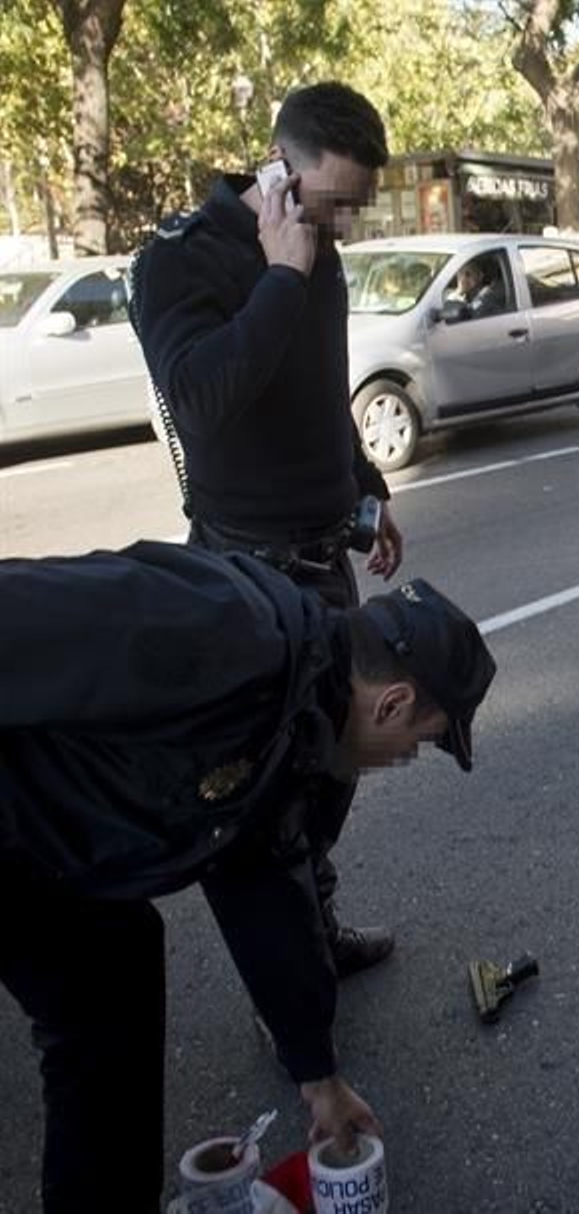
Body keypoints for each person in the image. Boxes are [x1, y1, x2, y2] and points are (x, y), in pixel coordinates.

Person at [0, 541, 496, 1213]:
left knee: (112, 972)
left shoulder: (291, 717)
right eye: (420, 741)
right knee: (99, 991)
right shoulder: (219, 630)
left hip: (41, 829)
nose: (405, 756)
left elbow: (258, 878)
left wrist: (316, 1074)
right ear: (392, 703)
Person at [134, 81, 404, 978]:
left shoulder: (320, 251)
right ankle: (290, 971)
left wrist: (371, 490)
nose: (344, 225)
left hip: (326, 553)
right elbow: (204, 402)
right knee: (265, 791)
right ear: (280, 172)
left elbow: (324, 395)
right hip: (243, 578)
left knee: (340, 765)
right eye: (333, 204)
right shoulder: (179, 260)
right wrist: (282, 273)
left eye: (354, 208)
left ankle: (312, 924)